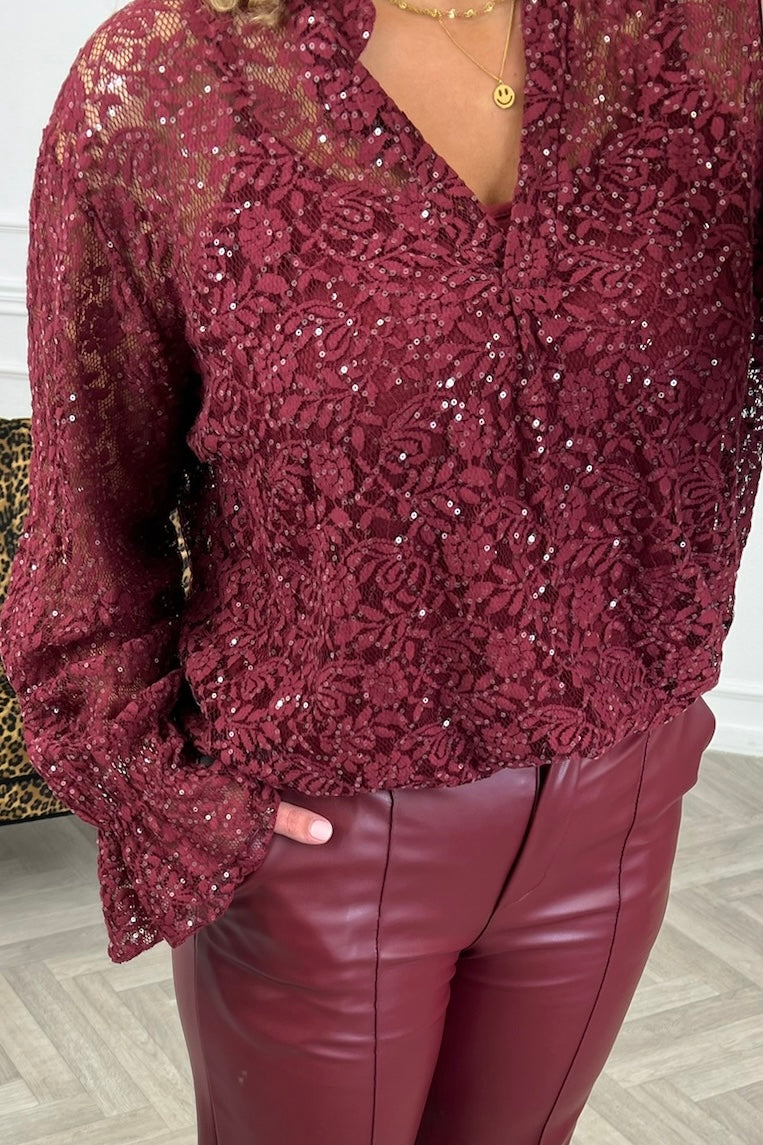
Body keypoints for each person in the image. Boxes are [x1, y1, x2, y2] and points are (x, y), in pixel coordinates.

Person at [0, 0, 760, 1140]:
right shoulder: (166, 91)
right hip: (324, 843)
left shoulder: (711, 43)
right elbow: (88, 532)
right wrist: (177, 800)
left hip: (619, 809)